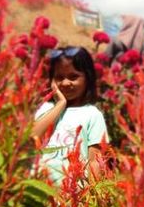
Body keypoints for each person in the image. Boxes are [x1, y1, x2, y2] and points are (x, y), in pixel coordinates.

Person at [32, 46, 107, 185]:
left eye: (74, 76)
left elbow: (94, 161)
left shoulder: (92, 115)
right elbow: (32, 136)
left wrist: (93, 197)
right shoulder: (47, 108)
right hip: (38, 196)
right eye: (59, 77)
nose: (66, 83)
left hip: (72, 198)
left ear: (88, 78)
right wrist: (60, 104)